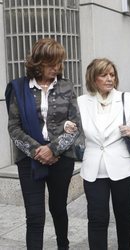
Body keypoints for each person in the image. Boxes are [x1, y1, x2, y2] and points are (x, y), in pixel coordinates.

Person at [5, 38, 81, 250]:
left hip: (61, 158)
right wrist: (38, 151)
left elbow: (75, 125)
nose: (56, 68)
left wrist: (53, 149)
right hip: (30, 160)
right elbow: (14, 128)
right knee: (35, 215)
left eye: (59, 62)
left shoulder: (66, 87)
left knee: (58, 208)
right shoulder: (20, 89)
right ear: (37, 63)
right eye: (51, 63)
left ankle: (62, 246)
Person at [77, 58, 130, 249]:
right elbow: (74, 129)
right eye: (104, 75)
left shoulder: (127, 99)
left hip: (124, 168)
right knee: (96, 218)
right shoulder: (81, 102)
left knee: (123, 215)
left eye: (112, 75)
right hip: (94, 170)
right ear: (93, 79)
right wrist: (69, 127)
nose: (109, 79)